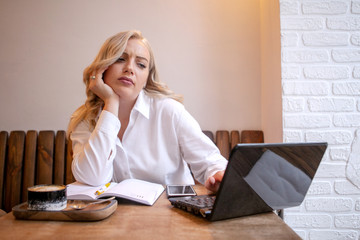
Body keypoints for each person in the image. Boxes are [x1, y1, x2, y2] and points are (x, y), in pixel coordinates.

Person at [67, 30, 227, 193]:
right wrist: (111, 103)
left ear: (146, 79)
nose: (129, 68)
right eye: (120, 59)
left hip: (173, 213)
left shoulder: (169, 111)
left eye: (141, 65)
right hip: (114, 217)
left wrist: (217, 175)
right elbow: (92, 177)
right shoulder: (84, 119)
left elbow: (211, 161)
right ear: (102, 69)